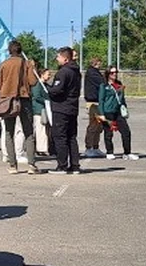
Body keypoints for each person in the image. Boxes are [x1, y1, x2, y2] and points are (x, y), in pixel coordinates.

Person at [0, 40, 41, 174]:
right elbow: (33, 82)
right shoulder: (26, 64)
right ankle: (31, 165)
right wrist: (32, 68)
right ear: (21, 51)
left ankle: (12, 165)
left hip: (8, 100)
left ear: (9, 51)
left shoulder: (3, 65)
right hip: (24, 99)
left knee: (9, 132)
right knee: (28, 133)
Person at [45, 46, 82, 174]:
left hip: (61, 108)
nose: (57, 58)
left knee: (60, 137)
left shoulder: (64, 72)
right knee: (71, 137)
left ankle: (62, 165)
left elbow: (56, 90)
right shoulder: (76, 71)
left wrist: (46, 87)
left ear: (65, 58)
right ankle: (75, 165)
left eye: (59, 56)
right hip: (72, 108)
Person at [97, 67, 137, 160]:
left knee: (126, 131)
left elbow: (122, 98)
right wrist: (101, 114)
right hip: (108, 112)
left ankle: (127, 152)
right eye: (112, 72)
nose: (114, 74)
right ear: (107, 74)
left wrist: (125, 109)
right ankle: (109, 152)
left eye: (116, 72)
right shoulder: (104, 86)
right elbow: (101, 100)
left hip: (118, 111)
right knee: (108, 133)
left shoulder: (119, 84)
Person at [82, 57, 105, 158]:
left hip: (98, 102)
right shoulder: (92, 73)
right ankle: (89, 147)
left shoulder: (96, 72)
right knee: (93, 125)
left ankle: (95, 147)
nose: (100, 65)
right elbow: (102, 83)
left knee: (99, 126)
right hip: (92, 102)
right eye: (99, 63)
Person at [31, 65, 51, 157]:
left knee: (42, 129)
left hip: (44, 109)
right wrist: (47, 101)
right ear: (42, 75)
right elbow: (36, 96)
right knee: (40, 129)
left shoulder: (45, 85)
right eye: (48, 74)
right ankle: (41, 149)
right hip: (39, 110)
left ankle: (40, 147)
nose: (49, 76)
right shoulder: (37, 85)